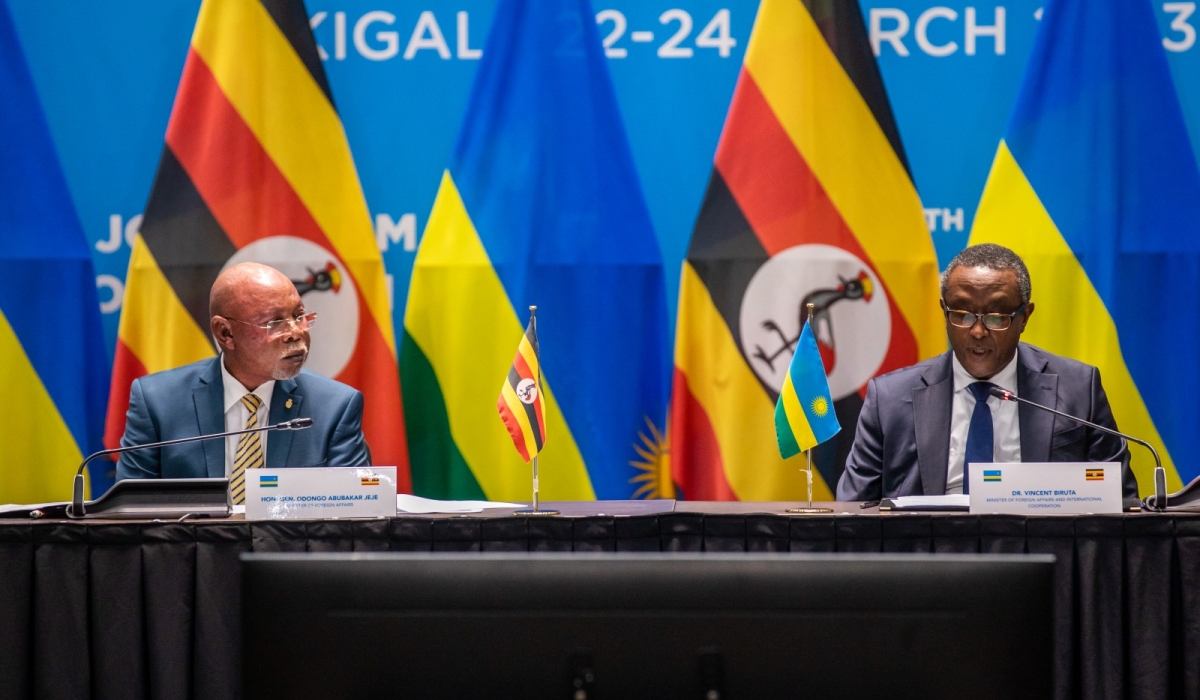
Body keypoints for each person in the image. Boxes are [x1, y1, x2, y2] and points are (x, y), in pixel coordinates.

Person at [836, 243, 1137, 501]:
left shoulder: (1079, 389)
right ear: (944, 313)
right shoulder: (889, 399)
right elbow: (853, 512)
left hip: (1038, 545)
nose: (978, 332)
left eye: (996, 317)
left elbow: (1120, 502)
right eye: (962, 314)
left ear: (1025, 317)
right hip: (931, 547)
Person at [116, 262, 369, 504]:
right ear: (225, 333)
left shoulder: (335, 407)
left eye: (299, 315)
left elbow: (356, 517)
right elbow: (132, 517)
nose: (296, 332)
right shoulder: (158, 403)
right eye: (274, 323)